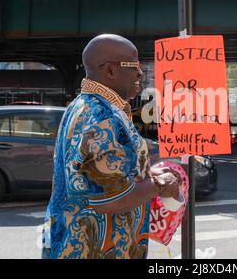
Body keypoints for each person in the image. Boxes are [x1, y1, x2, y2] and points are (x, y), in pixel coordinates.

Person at [42, 34, 180, 259]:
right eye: (134, 65)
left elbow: (101, 175)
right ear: (110, 72)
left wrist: (143, 174)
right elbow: (111, 199)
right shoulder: (102, 118)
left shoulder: (84, 105)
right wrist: (160, 183)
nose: (140, 72)